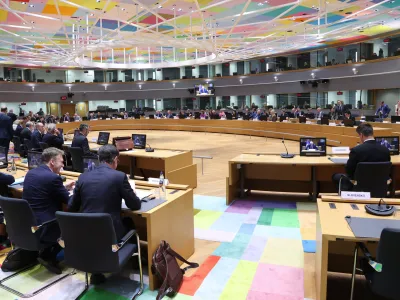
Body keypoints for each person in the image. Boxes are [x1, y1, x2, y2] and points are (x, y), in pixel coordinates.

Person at [68, 144, 141, 284]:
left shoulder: (83, 177)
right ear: (114, 159)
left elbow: (72, 207)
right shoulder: (119, 177)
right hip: (110, 234)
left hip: (85, 233)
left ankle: (97, 272)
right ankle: (134, 264)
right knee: (130, 222)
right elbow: (135, 205)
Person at [23, 148, 75, 274]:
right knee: (75, 223)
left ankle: (45, 252)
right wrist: (79, 191)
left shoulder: (31, 173)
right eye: (61, 162)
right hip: (46, 224)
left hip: (29, 222)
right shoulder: (53, 178)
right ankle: (49, 256)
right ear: (52, 162)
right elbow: (70, 203)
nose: (63, 165)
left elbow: (45, 189)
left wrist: (63, 187)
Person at [332, 123, 391, 192]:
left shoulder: (356, 150)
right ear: (372, 133)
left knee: (335, 176)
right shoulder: (385, 150)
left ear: (361, 135)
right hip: (379, 186)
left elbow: (349, 171)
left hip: (359, 185)